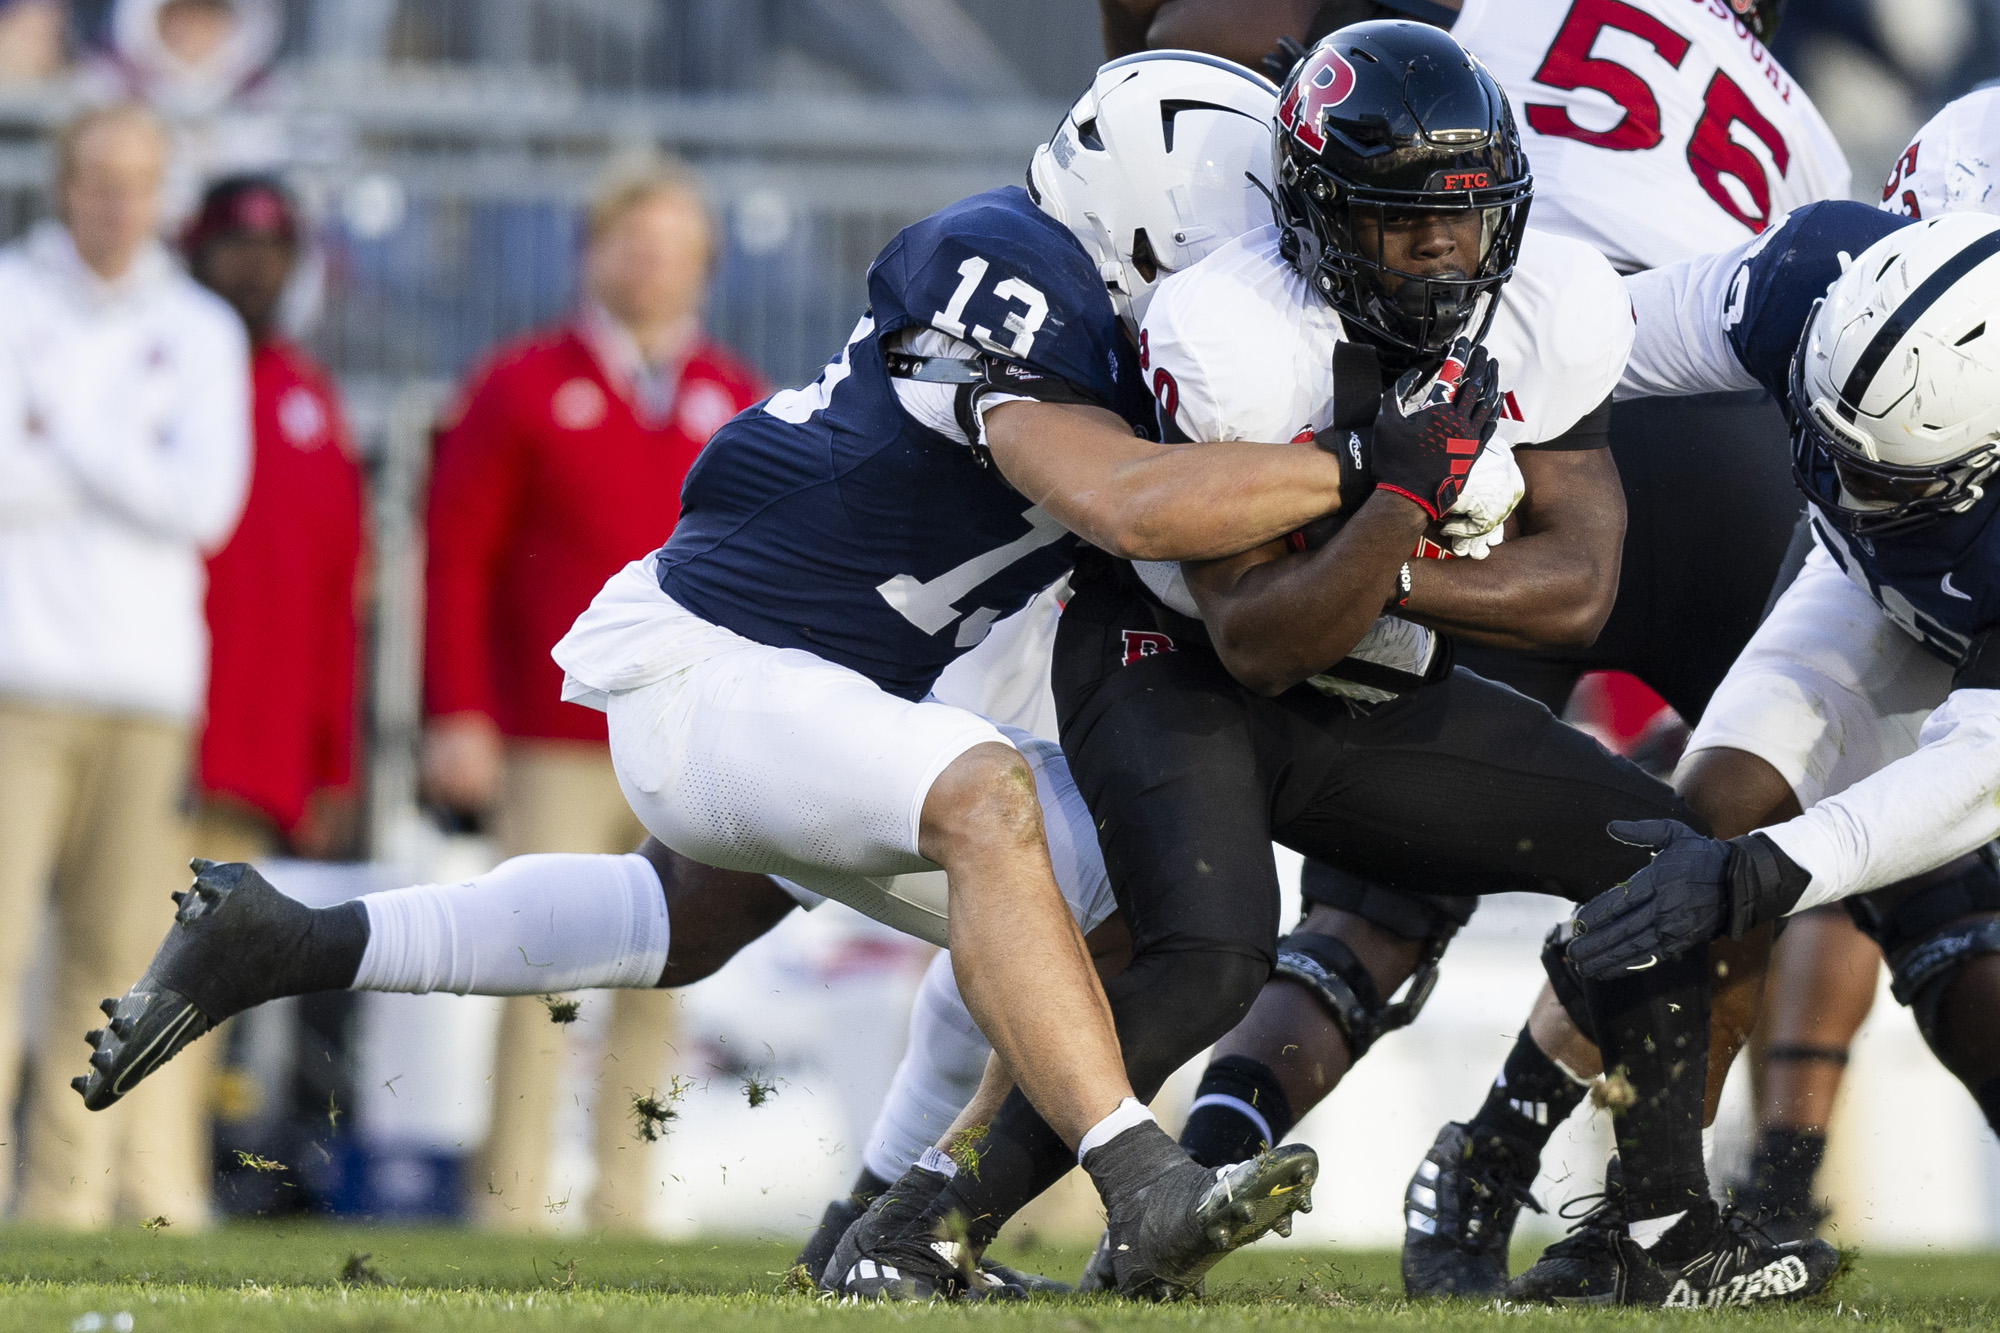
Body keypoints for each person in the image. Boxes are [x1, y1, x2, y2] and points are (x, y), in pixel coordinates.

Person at [75, 53, 1328, 1299]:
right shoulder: (1007, 261)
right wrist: (1370, 471)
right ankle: (1129, 1175)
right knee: (982, 801)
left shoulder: (1116, 316)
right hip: (717, 658)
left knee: (732, 916)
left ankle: (293, 940)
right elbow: (1117, 498)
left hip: (829, 684)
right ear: (1164, 204)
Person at [1091, 0, 1851, 1300]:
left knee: (1420, 908)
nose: (1442, 233)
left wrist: (1381, 550)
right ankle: (1503, 1179)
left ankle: (1559, 1185)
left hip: (1559, 391)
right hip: (1720, 417)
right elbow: (1263, 628)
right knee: (1789, 843)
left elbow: (1212, 29)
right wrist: (1380, 520)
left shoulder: (1505, 60)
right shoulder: (1805, 130)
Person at [1501, 197, 2000, 1302]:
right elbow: (1573, 344)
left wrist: (1767, 871)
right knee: (1712, 813)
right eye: (1827, 452)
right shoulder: (1804, 280)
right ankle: (1657, 1222)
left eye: (1885, 480)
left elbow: (1977, 773)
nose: (1844, 492)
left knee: (1780, 872)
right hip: (1880, 589)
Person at [421, 159, 763, 1232]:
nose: (651, 264)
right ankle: (510, 1197)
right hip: (550, 731)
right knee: (535, 969)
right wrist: (457, 710)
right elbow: (455, 557)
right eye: (634, 241)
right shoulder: (519, 383)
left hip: (682, 738)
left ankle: (627, 1197)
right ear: (594, 251)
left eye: (673, 246)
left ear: (702, 263)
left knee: (663, 972)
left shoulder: (734, 395)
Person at [1736, 82, 2000, 1241]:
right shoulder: (1834, 279)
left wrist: (1773, 865)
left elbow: (1977, 769)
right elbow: (1633, 335)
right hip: (1903, 576)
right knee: (1788, 798)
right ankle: (1772, 1173)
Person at [0, 103, 249, 1226]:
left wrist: (66, 429)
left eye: (136, 182)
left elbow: (205, 504)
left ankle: (65, 1199)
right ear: (64, 184)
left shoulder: (201, 329)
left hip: (146, 687)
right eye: (96, 178)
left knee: (107, 964)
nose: (114, 202)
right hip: (20, 674)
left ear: (163, 197)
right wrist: (122, 453)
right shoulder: (11, 295)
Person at [188, 174, 363, 869]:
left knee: (212, 971)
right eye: (234, 243)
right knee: (105, 954)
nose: (254, 264)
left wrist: (332, 761)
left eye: (272, 247)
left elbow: (335, 594)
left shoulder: (311, 401)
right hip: (138, 723)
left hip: (258, 755)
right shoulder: (150, 369)